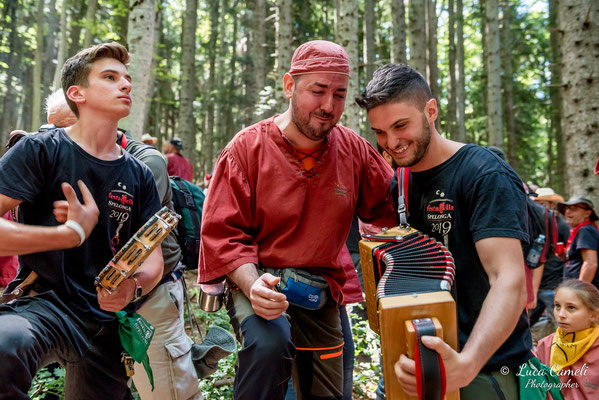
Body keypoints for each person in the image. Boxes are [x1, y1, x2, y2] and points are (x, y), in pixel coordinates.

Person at [199, 40, 396, 400]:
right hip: (259, 280)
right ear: (290, 85)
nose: (328, 106)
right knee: (269, 344)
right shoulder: (246, 149)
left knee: (330, 389)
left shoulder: (353, 151)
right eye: (317, 91)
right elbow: (223, 234)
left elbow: (391, 207)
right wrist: (252, 284)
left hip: (321, 291)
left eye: (339, 94)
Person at [356, 63, 532, 399]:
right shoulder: (402, 180)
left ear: (431, 111)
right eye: (379, 132)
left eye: (400, 125)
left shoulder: (484, 174)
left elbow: (508, 280)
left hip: (484, 369)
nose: (391, 142)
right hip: (415, 362)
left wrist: (466, 364)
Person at [0, 42, 164, 399]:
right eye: (109, 77)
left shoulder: (139, 174)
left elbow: (154, 257)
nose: (126, 85)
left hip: (106, 321)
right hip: (45, 304)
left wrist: (133, 288)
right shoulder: (40, 149)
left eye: (127, 79)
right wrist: (68, 234)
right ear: (77, 93)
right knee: (3, 345)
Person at [44, 91, 202, 400]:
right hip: (96, 298)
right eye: (53, 132)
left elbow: (129, 238)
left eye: (67, 129)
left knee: (167, 391)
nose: (60, 141)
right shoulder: (64, 158)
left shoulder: (146, 163)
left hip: (151, 295)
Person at [536, 279, 599, 400]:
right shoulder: (546, 344)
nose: (561, 314)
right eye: (557, 306)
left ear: (594, 315)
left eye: (571, 308)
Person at [558, 197, 599, 288]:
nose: (568, 211)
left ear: (587, 213)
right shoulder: (580, 230)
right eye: (566, 208)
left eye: (574, 208)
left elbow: (590, 264)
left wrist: (579, 292)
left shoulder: (586, 230)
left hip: (583, 293)